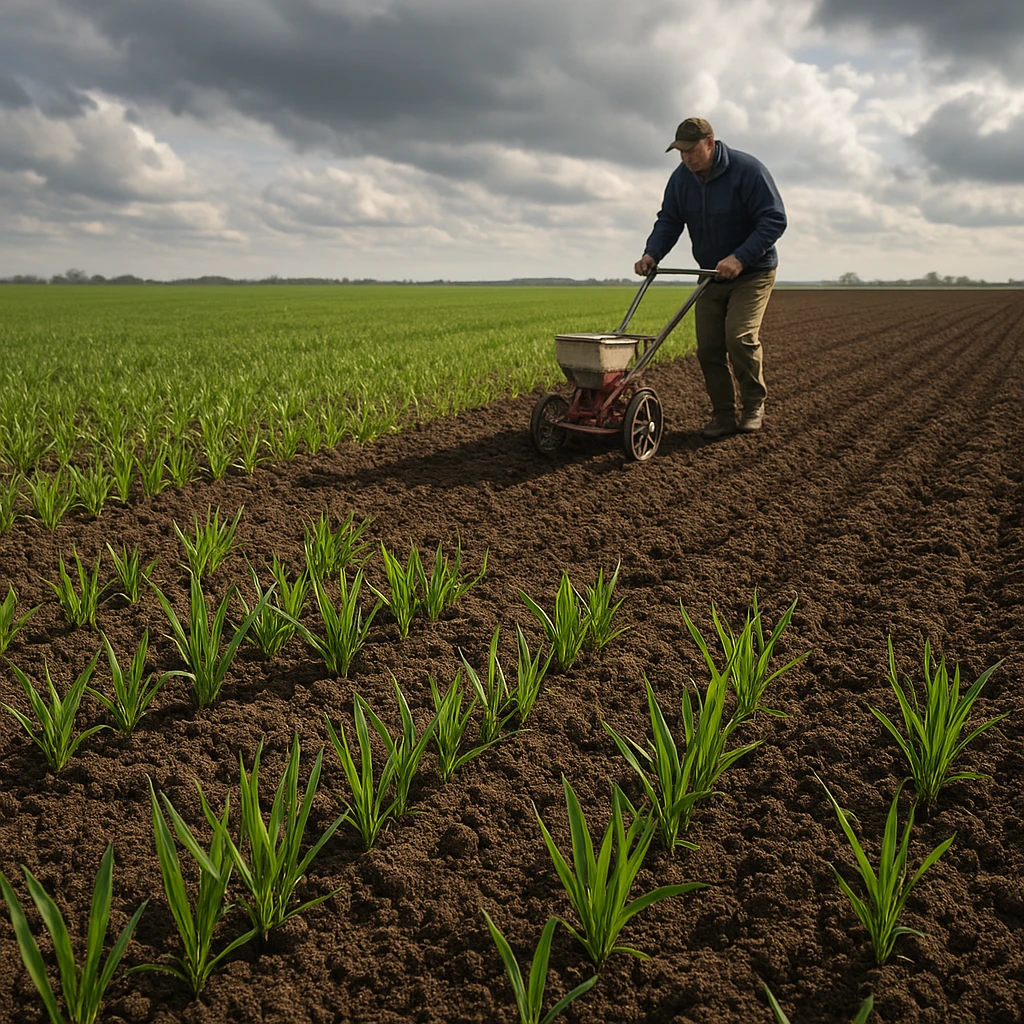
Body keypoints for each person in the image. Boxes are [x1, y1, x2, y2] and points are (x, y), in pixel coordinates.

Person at [634, 117, 787, 437]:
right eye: (680, 152)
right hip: (709, 275)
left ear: (710, 144)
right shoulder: (681, 180)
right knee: (708, 347)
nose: (686, 157)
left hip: (753, 272)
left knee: (739, 338)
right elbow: (669, 221)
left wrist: (740, 257)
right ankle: (722, 414)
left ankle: (754, 405)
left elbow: (774, 220)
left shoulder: (748, 171)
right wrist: (652, 254)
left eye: (691, 150)